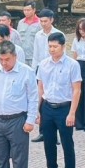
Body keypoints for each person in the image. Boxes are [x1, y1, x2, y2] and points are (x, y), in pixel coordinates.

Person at [36, 32, 82, 168]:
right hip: (47, 107)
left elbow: (77, 90)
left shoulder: (72, 65)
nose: (52, 49)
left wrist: (72, 113)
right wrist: (37, 110)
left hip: (64, 108)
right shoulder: (43, 64)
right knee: (48, 142)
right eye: (50, 46)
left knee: (67, 143)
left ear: (63, 47)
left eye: (55, 46)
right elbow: (40, 87)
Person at [31, 8, 62, 143]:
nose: (43, 24)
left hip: (55, 68)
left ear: (51, 20)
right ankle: (42, 131)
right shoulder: (38, 35)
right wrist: (34, 70)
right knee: (41, 99)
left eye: (45, 21)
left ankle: (56, 133)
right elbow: (36, 54)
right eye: (41, 21)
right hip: (41, 68)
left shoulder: (58, 34)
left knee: (53, 98)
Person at [16, 1, 41, 67]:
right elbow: (18, 39)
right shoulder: (21, 23)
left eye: (28, 10)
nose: (26, 12)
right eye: (24, 10)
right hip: (22, 56)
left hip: (35, 56)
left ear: (34, 10)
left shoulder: (40, 23)